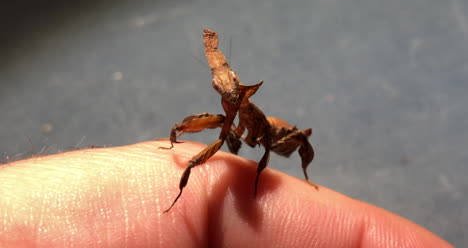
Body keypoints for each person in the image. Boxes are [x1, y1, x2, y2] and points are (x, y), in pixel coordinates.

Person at [0, 141, 453, 247]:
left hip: (274, 136)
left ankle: (305, 173)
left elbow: (254, 148)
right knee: (196, 153)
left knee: (289, 144)